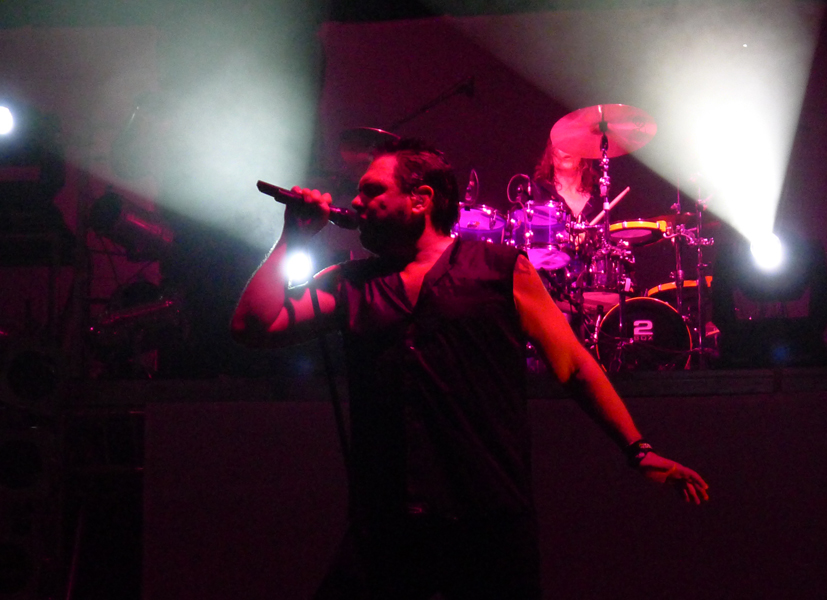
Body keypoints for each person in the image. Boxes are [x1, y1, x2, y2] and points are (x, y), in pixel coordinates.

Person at [231, 138, 708, 599]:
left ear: (421, 199)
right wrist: (293, 237)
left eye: (372, 191)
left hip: (487, 518)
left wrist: (639, 450)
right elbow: (254, 327)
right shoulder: (347, 283)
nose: (356, 202)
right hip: (386, 523)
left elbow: (574, 366)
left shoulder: (501, 269)